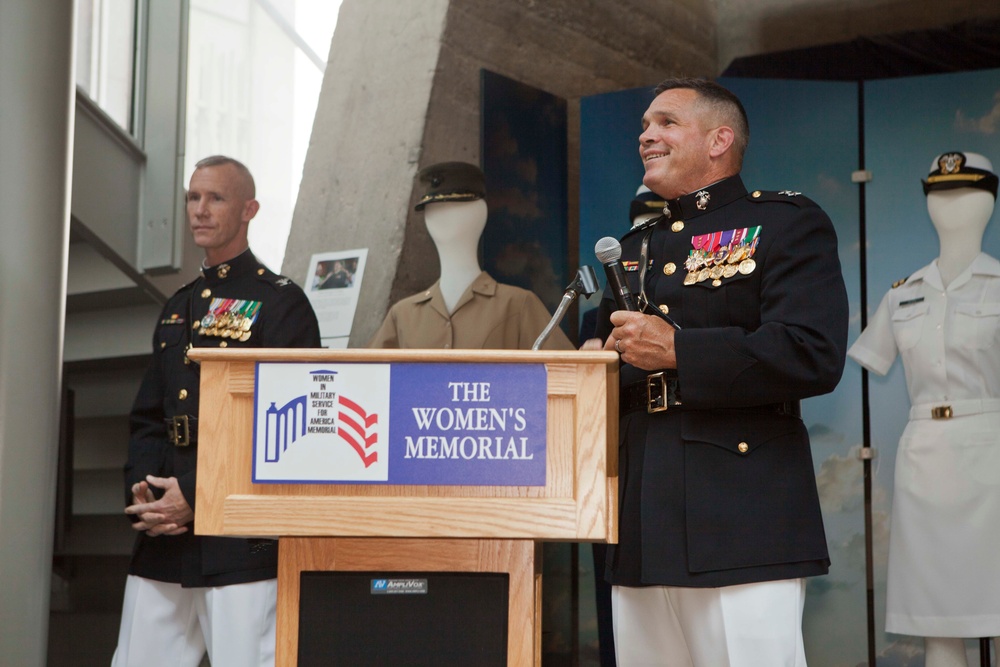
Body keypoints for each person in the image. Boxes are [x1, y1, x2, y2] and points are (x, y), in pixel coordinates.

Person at [589, 78, 848, 666]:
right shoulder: (636, 248)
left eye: (666, 123)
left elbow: (812, 350)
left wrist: (682, 350)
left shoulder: (784, 223)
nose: (645, 135)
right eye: (644, 126)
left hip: (742, 517)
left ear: (719, 140)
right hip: (642, 520)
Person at [111, 155, 321, 667]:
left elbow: (290, 431)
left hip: (239, 539)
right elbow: (149, 417)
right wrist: (146, 493)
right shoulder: (178, 305)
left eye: (216, 198)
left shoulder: (282, 304)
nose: (200, 210)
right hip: (167, 538)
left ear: (249, 209)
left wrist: (199, 493)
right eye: (192, 197)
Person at [848, 151, 1000, 667]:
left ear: (989, 202)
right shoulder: (902, 295)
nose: (951, 205)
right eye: (939, 194)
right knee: (936, 618)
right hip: (926, 458)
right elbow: (874, 356)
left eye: (964, 193)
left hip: (992, 454)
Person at [369, 161, 572, 350]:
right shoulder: (403, 316)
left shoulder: (518, 306)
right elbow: (359, 379)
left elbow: (570, 375)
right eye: (433, 211)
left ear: (479, 214)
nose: (440, 219)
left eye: (455, 209)